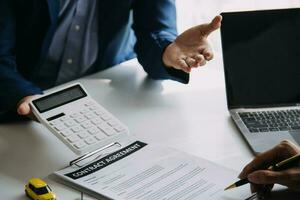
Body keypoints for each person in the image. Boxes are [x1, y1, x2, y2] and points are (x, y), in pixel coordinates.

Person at [0, 0, 221, 122]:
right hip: (25, 97)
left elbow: (155, 31)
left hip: (103, 98)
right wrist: (21, 93)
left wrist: (167, 53)